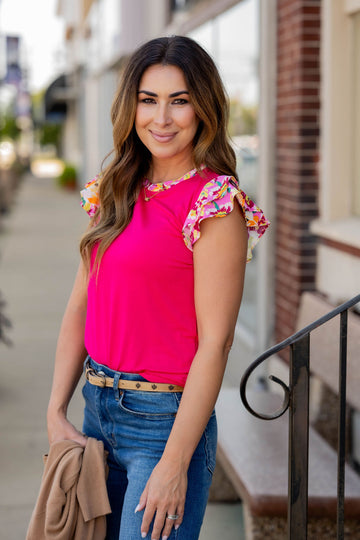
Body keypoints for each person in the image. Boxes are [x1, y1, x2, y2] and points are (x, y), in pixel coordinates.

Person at [46, 35, 269, 540]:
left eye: (180, 100)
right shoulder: (115, 187)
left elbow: (216, 343)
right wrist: (56, 409)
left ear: (204, 107)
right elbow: (82, 302)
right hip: (96, 410)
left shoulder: (213, 204)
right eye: (148, 100)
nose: (162, 119)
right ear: (131, 107)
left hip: (163, 424)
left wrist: (175, 464)